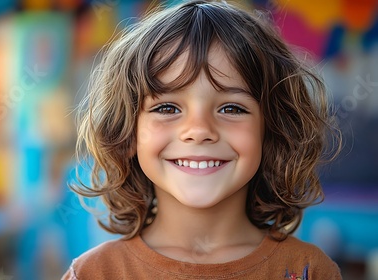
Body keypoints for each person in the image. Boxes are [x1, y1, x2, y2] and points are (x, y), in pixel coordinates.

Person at [63, 0, 342, 279]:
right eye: (167, 108)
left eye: (231, 108)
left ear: (272, 130)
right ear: (127, 132)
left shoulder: (308, 270)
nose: (199, 130)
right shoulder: (95, 273)